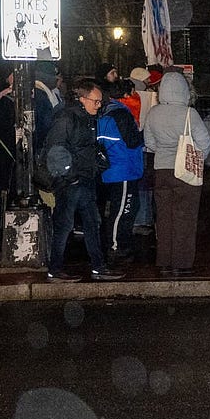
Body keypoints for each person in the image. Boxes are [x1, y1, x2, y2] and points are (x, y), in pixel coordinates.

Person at [42, 79, 122, 283]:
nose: (99, 105)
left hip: (84, 178)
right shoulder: (67, 117)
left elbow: (84, 148)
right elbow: (55, 149)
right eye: (96, 101)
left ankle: (98, 266)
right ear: (82, 99)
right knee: (64, 225)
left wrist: (96, 163)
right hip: (72, 181)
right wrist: (70, 177)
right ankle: (55, 269)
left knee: (92, 223)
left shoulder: (86, 117)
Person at [143, 70, 210, 277]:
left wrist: (163, 151)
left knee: (164, 218)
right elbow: (205, 142)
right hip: (185, 171)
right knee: (185, 217)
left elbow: (149, 143)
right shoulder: (189, 113)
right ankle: (181, 264)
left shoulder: (153, 112)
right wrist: (198, 158)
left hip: (161, 170)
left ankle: (164, 261)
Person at [97, 87, 145, 265]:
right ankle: (116, 247)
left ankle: (119, 244)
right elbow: (132, 141)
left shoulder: (106, 113)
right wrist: (143, 134)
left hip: (116, 168)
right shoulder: (120, 113)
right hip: (124, 167)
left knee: (124, 207)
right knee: (123, 209)